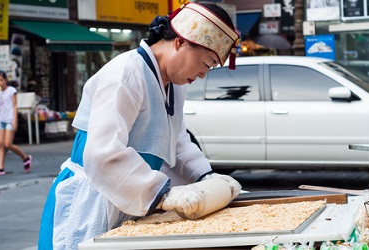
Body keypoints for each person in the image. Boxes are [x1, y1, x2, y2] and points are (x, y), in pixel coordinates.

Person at [38, 3, 242, 249]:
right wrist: (162, 193)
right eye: (206, 63)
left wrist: (206, 176)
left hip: (136, 197)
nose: (202, 75)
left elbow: (176, 143)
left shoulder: (176, 85)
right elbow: (103, 152)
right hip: (93, 200)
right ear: (181, 42)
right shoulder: (126, 72)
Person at [0, 71, 32, 176]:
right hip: (1, 119)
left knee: (8, 144)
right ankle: (0, 168)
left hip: (10, 119)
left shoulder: (11, 90)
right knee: (0, 144)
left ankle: (25, 157)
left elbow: (15, 105)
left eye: (1, 80)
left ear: (6, 80)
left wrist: (15, 120)